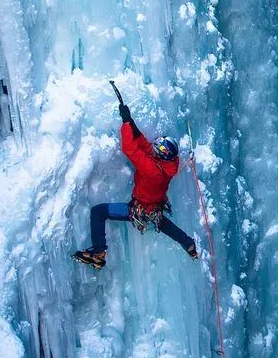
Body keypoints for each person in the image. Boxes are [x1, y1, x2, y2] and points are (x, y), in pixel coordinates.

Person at [73, 101, 198, 270]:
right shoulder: (169, 163)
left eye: (157, 149)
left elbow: (130, 149)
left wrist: (125, 125)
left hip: (141, 209)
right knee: (163, 224)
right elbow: (145, 146)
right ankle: (189, 244)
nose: (153, 148)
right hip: (155, 207)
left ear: (161, 155)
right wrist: (131, 122)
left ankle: (99, 253)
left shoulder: (152, 170)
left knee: (98, 212)